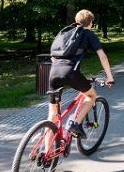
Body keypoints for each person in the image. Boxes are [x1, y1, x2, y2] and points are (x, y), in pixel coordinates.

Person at [48, 9, 114, 137]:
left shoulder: (65, 33)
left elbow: (53, 55)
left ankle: (45, 153)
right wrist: (109, 77)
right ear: (90, 23)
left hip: (53, 72)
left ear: (76, 20)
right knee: (91, 95)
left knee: (52, 115)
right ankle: (75, 123)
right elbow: (102, 56)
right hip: (70, 73)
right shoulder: (87, 33)